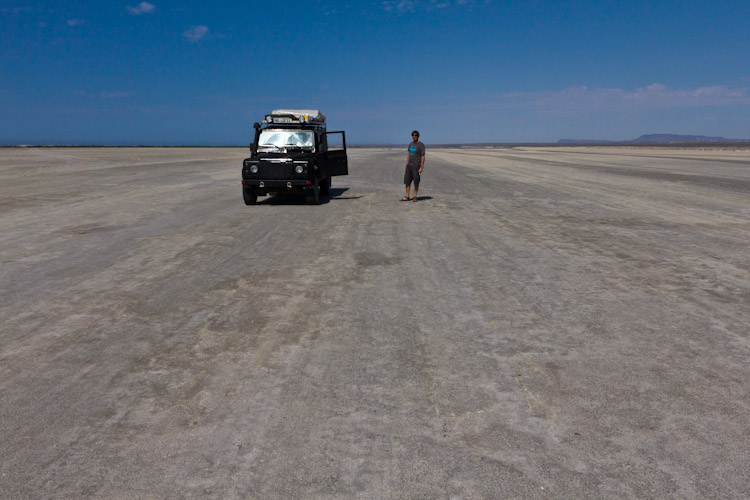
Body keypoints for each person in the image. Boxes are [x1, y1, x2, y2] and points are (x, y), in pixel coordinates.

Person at [401, 130, 425, 202]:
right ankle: (407, 196)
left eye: (415, 135)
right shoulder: (410, 144)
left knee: (416, 182)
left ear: (418, 136)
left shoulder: (421, 145)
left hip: (416, 166)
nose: (414, 136)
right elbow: (409, 154)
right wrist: (406, 164)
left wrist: (421, 167)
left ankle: (414, 196)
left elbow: (423, 156)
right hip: (409, 166)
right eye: (413, 135)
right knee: (407, 181)